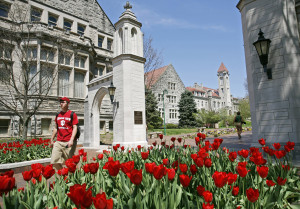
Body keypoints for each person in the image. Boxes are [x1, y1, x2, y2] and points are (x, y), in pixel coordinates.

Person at [50, 97, 78, 170]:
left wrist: (71, 140)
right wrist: (52, 139)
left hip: (68, 142)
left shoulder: (72, 114)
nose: (61, 103)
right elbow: (56, 128)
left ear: (68, 103)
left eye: (63, 102)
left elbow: (75, 127)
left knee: (70, 163)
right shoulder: (58, 115)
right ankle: (64, 176)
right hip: (58, 141)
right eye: (60, 102)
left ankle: (74, 177)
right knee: (54, 161)